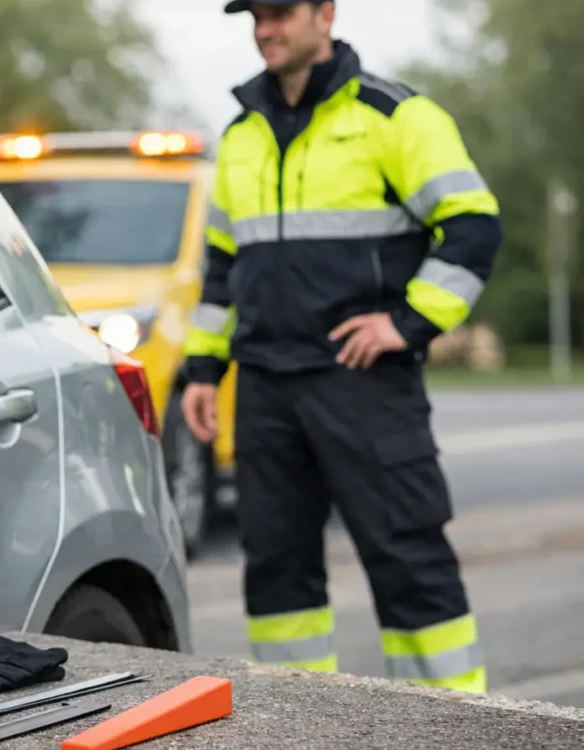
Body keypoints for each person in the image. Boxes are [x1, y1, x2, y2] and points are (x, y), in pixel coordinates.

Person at [181, 0, 500, 695]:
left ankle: (450, 727)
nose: (265, 28)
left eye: (280, 12)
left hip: (365, 383)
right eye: (254, 16)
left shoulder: (396, 116)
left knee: (407, 558)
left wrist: (408, 323)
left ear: (325, 13)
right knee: (275, 569)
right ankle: (297, 722)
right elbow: (223, 266)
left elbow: (474, 227)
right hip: (266, 385)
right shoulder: (241, 135)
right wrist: (204, 369)